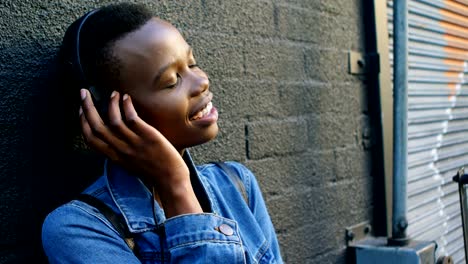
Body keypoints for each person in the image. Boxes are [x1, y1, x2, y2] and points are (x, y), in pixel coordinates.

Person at [41, 2, 283, 263]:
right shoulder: (77, 229)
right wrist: (174, 183)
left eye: (193, 64)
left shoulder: (237, 185)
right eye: (171, 81)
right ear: (109, 115)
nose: (202, 82)